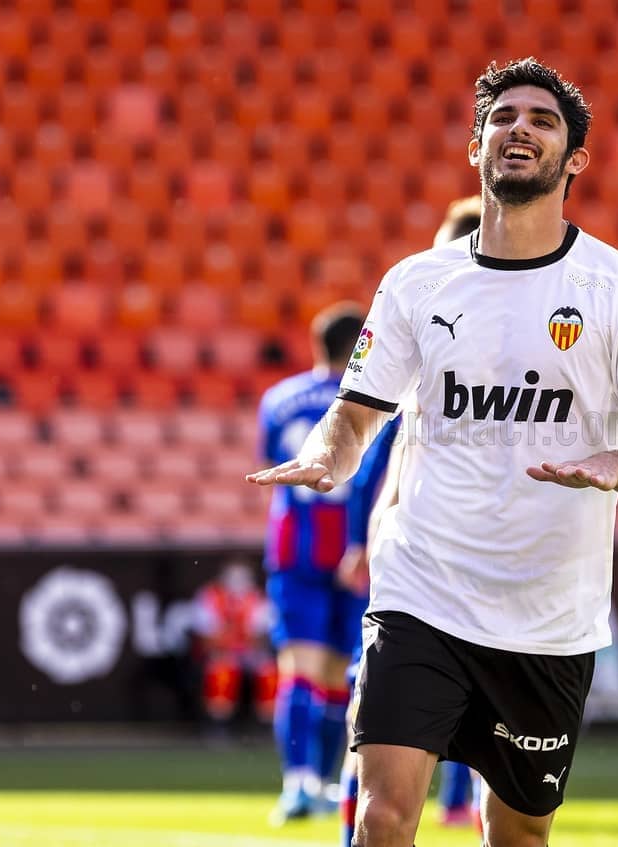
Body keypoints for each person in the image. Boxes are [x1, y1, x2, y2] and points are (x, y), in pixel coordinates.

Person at [249, 57, 618, 847]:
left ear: (575, 159)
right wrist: (332, 452)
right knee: (381, 816)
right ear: (475, 147)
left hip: (548, 614)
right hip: (421, 591)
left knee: (516, 832)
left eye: (542, 120)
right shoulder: (415, 283)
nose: (520, 129)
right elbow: (353, 417)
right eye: (504, 118)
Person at [336, 196, 485, 847]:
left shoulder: (439, 335)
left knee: (380, 716)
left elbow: (386, 452)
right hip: (444, 564)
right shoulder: (432, 340)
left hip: (440, 562)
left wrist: (370, 532)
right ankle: (451, 807)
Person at [256, 305, 396, 825]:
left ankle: (298, 782)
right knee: (343, 674)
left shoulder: (278, 399)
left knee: (299, 668)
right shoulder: (375, 400)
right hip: (355, 553)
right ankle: (329, 782)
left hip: (295, 549)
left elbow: (273, 467)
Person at [190, 558, 274, 728]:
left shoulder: (257, 598)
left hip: (250, 653)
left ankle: (268, 721)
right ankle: (219, 721)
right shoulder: (210, 596)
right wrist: (229, 637)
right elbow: (206, 639)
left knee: (269, 670)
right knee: (223, 668)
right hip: (220, 653)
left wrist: (241, 635)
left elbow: (261, 638)